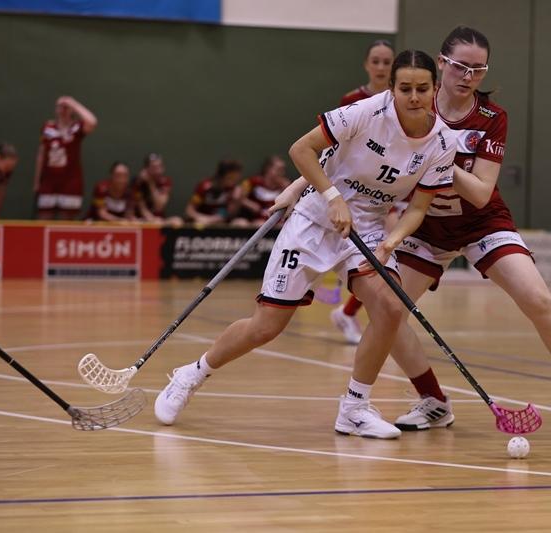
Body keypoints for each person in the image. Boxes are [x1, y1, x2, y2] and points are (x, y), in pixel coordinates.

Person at [154, 50, 455, 439]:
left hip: (369, 227)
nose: (413, 97)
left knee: (390, 306)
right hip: (315, 218)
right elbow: (302, 149)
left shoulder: (443, 142)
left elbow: (418, 207)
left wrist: (391, 242)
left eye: (422, 89)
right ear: (392, 87)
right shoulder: (365, 111)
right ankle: (191, 374)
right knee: (266, 327)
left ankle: (355, 408)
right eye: (405, 88)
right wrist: (333, 198)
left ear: (435, 88)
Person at [383, 27, 551, 431]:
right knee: (387, 312)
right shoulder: (411, 104)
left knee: (538, 299)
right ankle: (433, 402)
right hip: (425, 227)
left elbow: (482, 192)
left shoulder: (491, 118)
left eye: (478, 69)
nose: (468, 76)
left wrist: (440, 158)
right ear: (441, 63)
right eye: (460, 66)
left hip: (482, 223)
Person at [332, 39, 397, 344]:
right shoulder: (352, 100)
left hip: (390, 185)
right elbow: (338, 145)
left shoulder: (401, 100)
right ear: (366, 65)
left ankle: (348, 312)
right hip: (355, 187)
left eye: (387, 62)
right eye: (376, 61)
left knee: (389, 251)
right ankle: (347, 311)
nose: (382, 67)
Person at [34, 96, 97, 220]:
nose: (63, 110)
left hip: (70, 182)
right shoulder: (47, 128)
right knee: (43, 219)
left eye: (66, 107)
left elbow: (92, 122)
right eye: (60, 107)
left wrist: (73, 103)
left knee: (66, 221)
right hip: (48, 182)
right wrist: (36, 182)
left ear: (72, 110)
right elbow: (41, 154)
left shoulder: (76, 128)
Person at [185, 159, 245, 226]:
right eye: (230, 177)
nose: (234, 181)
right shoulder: (205, 186)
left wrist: (237, 201)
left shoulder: (234, 189)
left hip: (222, 224)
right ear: (221, 175)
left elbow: (229, 214)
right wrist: (202, 218)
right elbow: (189, 210)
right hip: (202, 221)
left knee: (241, 222)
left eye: (236, 178)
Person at [235, 155, 291, 225]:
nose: (281, 173)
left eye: (283, 170)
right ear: (268, 169)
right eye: (278, 170)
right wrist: (250, 204)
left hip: (276, 224)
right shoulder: (252, 182)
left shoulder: (286, 187)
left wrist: (287, 189)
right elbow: (237, 196)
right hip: (256, 222)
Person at [340, 40, 395, 106]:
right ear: (366, 64)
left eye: (387, 62)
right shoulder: (350, 100)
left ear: (394, 66)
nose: (381, 68)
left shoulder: (399, 99)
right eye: (375, 62)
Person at [133, 153, 182, 225]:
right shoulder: (138, 183)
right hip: (143, 220)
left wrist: (151, 184)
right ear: (146, 169)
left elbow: (159, 206)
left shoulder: (165, 182)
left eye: (160, 167)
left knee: (177, 221)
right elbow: (142, 209)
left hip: (160, 220)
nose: (158, 171)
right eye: (154, 168)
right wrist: (152, 220)